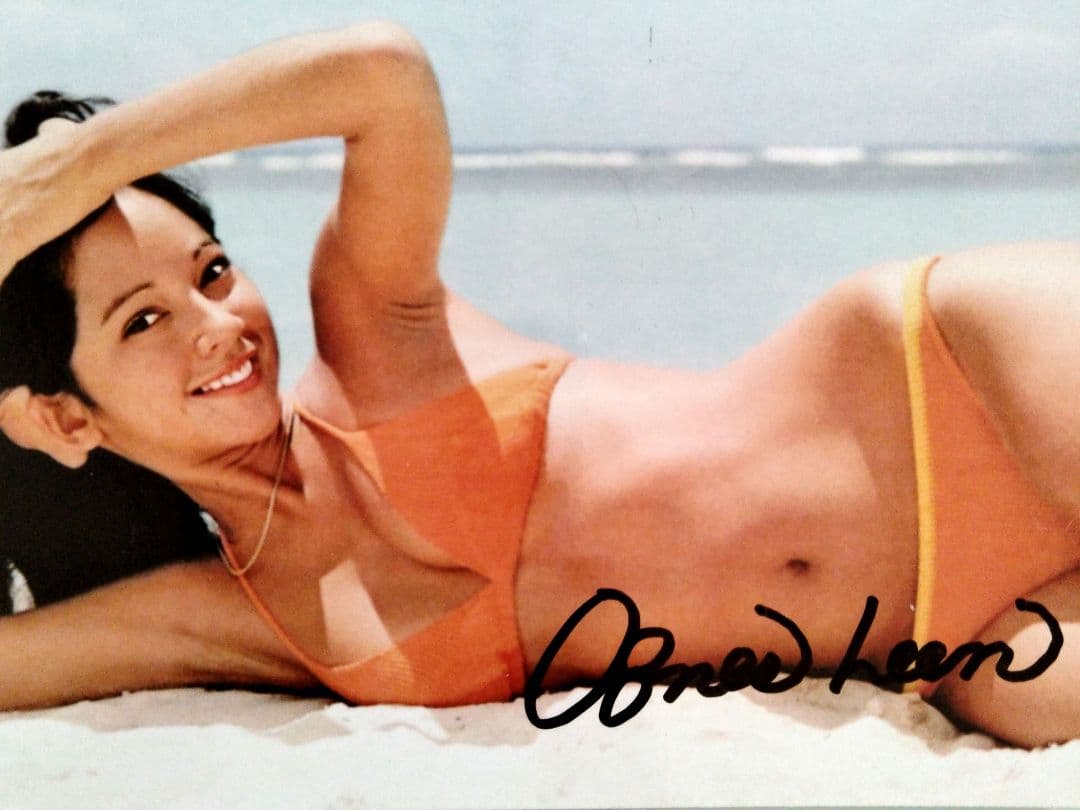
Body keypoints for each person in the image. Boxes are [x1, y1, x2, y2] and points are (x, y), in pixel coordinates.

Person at [0, 22, 1075, 749]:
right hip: (966, 641)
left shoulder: (373, 338)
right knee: (1038, 695)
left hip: (954, 380)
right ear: (58, 417)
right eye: (143, 320)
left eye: (212, 272)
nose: (217, 323)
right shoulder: (228, 615)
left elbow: (381, 73)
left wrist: (71, 167)